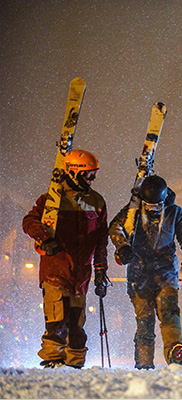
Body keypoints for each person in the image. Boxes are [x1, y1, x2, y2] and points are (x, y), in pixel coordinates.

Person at [22, 149, 109, 368]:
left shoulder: (97, 202)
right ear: (74, 172)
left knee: (77, 324)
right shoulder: (51, 199)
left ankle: (75, 363)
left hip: (81, 276)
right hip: (56, 271)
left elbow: (100, 240)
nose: (92, 180)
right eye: (89, 175)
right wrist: (45, 239)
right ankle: (53, 361)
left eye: (94, 174)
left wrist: (100, 271)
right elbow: (29, 221)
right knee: (57, 320)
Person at [109, 174, 182, 369]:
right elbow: (115, 227)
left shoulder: (174, 212)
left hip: (166, 274)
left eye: (157, 206)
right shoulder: (132, 212)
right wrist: (123, 246)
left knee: (169, 314)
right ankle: (143, 364)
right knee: (145, 321)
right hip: (138, 275)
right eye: (148, 206)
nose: (152, 210)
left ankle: (174, 351)